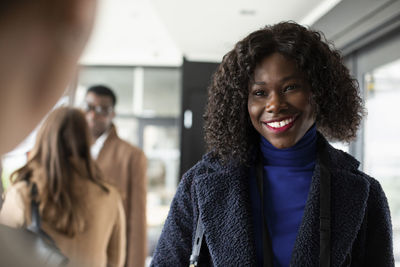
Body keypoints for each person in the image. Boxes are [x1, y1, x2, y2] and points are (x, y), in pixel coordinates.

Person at [151, 21, 394, 266]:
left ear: (318, 92)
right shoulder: (198, 184)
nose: (275, 104)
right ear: (242, 102)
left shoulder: (364, 193)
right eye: (260, 92)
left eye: (290, 87)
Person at [0, 107, 126, 267]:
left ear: (44, 138)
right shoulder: (110, 196)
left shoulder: (24, 193)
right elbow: (116, 261)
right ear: (87, 142)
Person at [84, 85, 147, 267]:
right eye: (88, 107)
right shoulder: (70, 150)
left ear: (112, 114)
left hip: (109, 255)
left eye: (102, 110)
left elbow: (137, 220)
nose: (93, 115)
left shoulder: (131, 155)